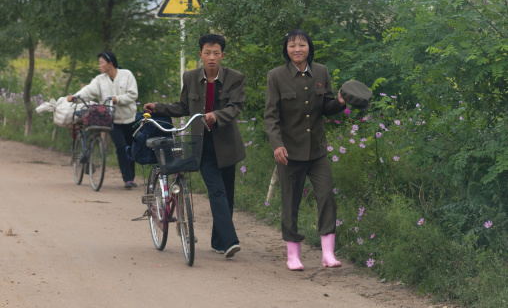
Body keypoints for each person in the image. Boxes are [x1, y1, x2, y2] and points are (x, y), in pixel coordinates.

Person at [144, 34, 245, 259]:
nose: (211, 58)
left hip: (227, 144)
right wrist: (158, 107)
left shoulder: (235, 78)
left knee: (227, 194)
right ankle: (230, 242)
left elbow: (235, 107)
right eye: (207, 53)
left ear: (223, 55)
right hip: (201, 143)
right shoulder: (190, 77)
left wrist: (216, 115)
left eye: (216, 53)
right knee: (216, 190)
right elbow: (182, 106)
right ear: (200, 55)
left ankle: (218, 241)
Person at [264, 29, 346, 271]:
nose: (297, 49)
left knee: (326, 196)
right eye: (291, 45)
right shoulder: (276, 76)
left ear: (309, 47)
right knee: (290, 202)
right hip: (288, 152)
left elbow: (326, 107)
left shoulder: (321, 71)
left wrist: (340, 102)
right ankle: (293, 255)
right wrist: (277, 144)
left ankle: (328, 254)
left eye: (301, 44)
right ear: (286, 50)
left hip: (317, 151)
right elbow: (271, 116)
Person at [67, 51, 138, 189]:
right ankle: (128, 179)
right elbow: (87, 91)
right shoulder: (100, 80)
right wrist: (75, 96)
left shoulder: (127, 75)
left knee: (130, 148)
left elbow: (133, 94)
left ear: (110, 63)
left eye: (101, 63)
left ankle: (131, 175)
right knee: (121, 147)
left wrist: (118, 99)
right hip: (112, 120)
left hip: (130, 118)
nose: (99, 65)